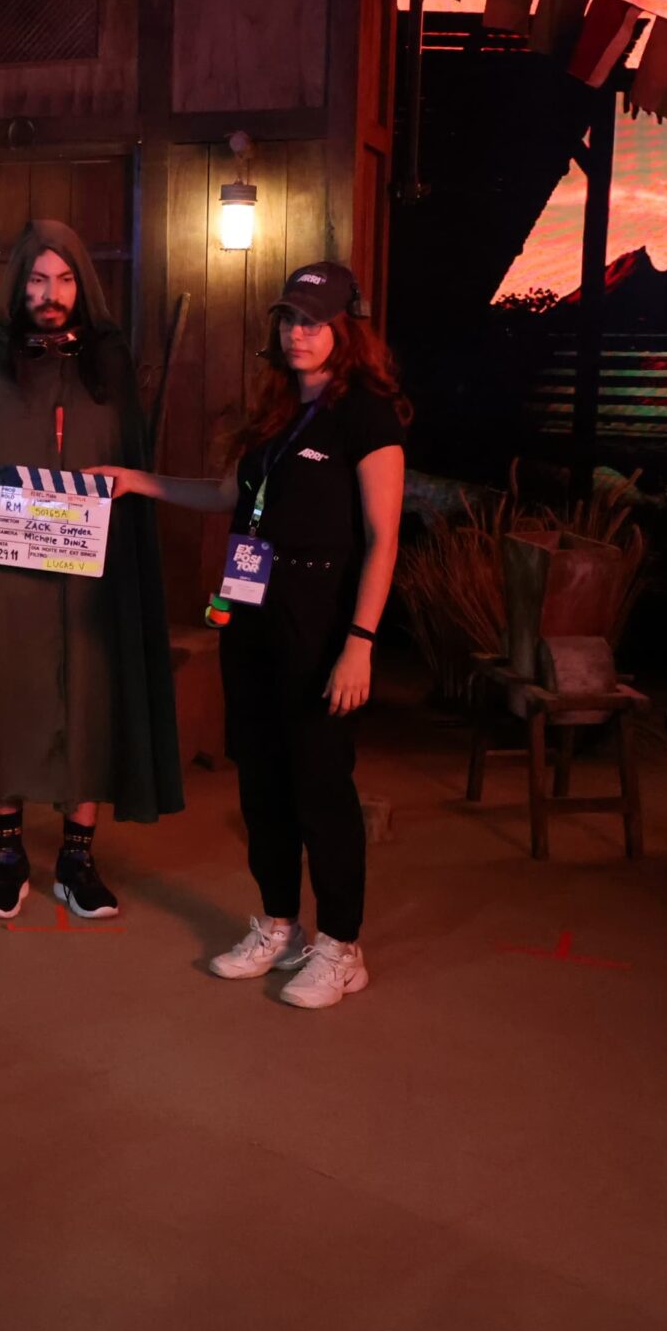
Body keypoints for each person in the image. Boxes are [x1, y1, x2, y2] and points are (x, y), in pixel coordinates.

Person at [90, 261, 407, 1009]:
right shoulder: (275, 413)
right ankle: (279, 926)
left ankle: (342, 947)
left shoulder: (368, 416)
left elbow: (383, 538)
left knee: (320, 786)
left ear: (347, 329)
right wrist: (136, 481)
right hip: (252, 607)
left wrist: (360, 641)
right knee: (262, 781)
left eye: (315, 321)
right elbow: (227, 497)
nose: (298, 333)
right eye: (289, 318)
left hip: (321, 617)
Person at [0, 220, 182, 921]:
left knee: (90, 699)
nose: (51, 294)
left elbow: (126, 457)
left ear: (82, 285)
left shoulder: (108, 361)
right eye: (38, 279)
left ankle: (77, 860)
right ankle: (9, 856)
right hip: (7, 565)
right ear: (19, 285)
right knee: (8, 693)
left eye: (65, 279)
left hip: (91, 567)